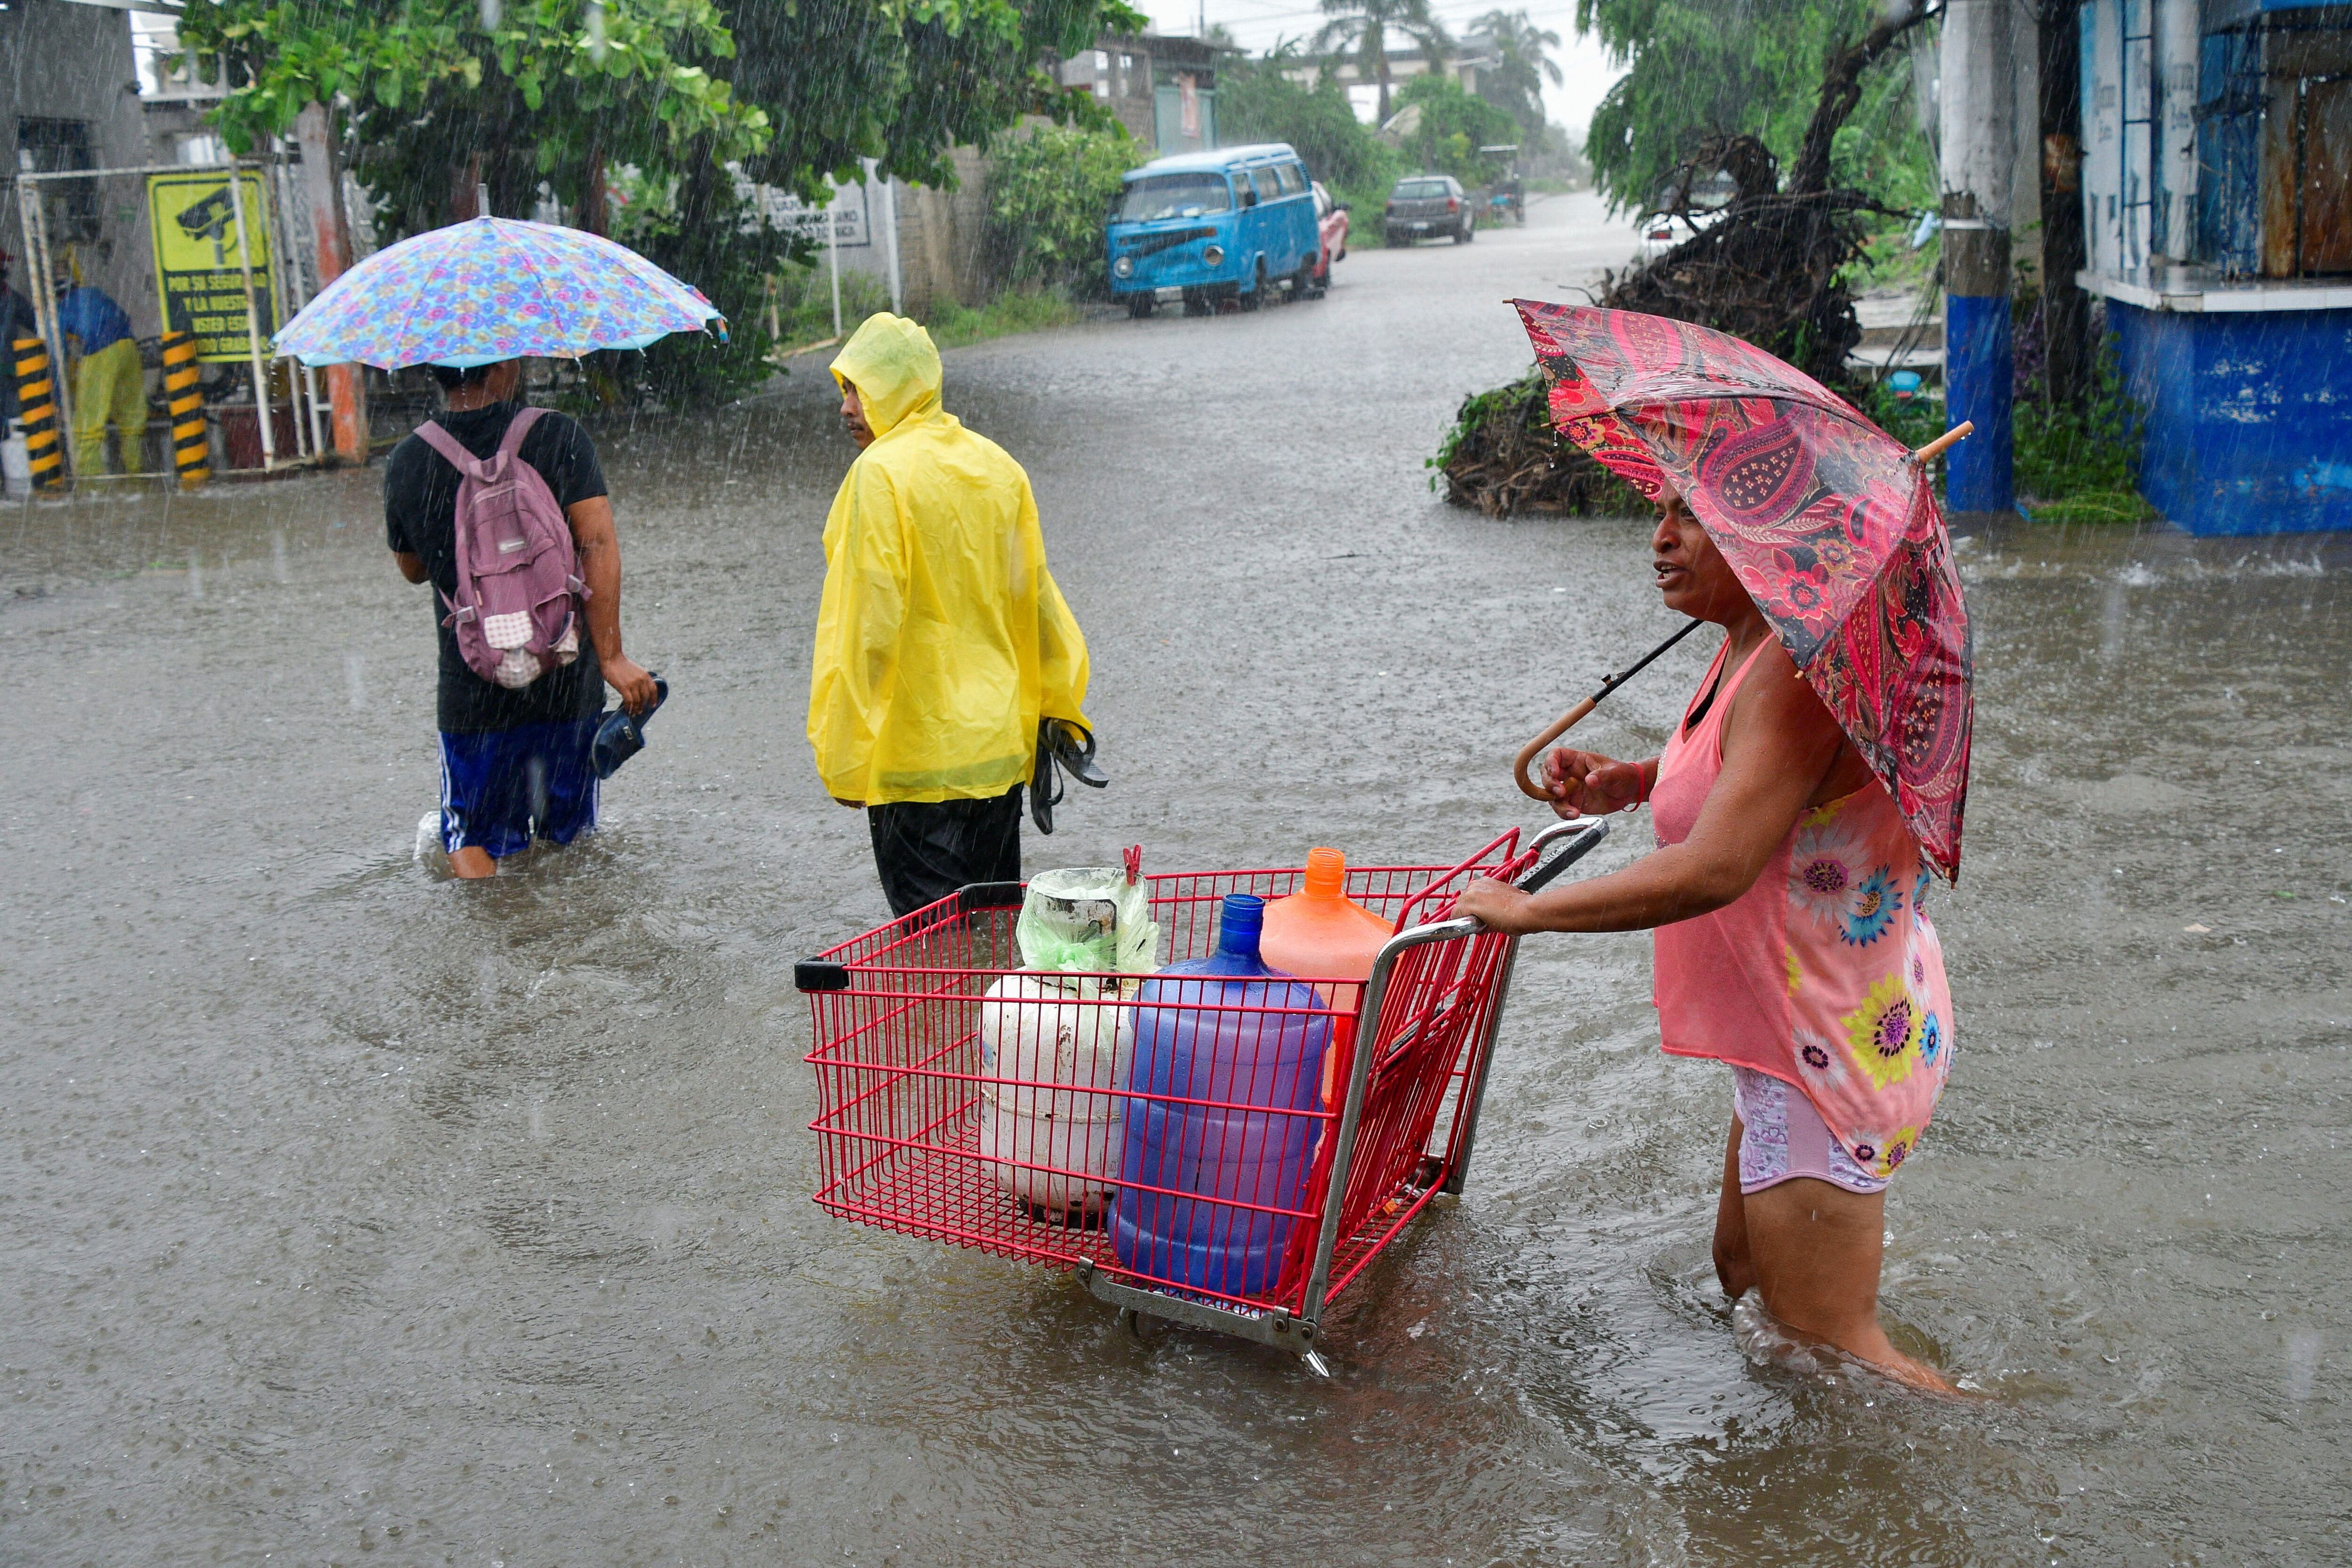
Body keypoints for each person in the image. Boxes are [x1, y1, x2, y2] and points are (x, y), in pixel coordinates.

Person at [1456, 481, 1958, 1393]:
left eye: (1691, 516)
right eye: (1662, 511)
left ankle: (2000, 1452)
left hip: (1827, 1044)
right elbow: (1747, 777)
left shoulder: (1800, 671)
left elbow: (1715, 866)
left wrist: (1528, 910)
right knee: (1743, 1277)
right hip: (1794, 1027)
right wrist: (1638, 779)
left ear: (1767, 539)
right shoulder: (1744, 645)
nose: (1660, 538)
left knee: (1834, 1344)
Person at [808, 313, 1092, 918]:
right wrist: (1059, 710)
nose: (846, 408)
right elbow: (1037, 604)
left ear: (896, 386)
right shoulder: (998, 466)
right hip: (994, 759)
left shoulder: (878, 476)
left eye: (858, 388)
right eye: (843, 390)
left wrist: (845, 758)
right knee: (990, 946)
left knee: (934, 960)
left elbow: (866, 630)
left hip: (916, 771)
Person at [385, 359, 657, 879]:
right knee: (570, 840)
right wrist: (613, 655)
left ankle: (497, 948)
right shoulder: (556, 434)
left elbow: (413, 569)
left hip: (475, 688)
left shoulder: (409, 459)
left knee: (469, 837)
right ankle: (571, 943)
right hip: (564, 670)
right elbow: (596, 542)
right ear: (505, 362)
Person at [53, 274, 144, 476]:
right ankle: (136, 475)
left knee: (88, 425)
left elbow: (58, 355)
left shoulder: (59, 310)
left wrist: (59, 399)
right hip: (129, 348)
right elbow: (124, 317)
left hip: (101, 353)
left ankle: (90, 484)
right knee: (131, 419)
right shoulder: (94, 293)